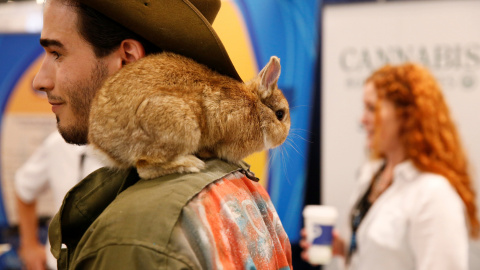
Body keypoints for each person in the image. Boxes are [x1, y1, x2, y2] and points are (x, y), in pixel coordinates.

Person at [33, 0, 292, 269]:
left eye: (57, 53)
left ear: (128, 60)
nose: (39, 80)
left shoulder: (128, 237)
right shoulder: (240, 182)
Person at [300, 63, 479, 270]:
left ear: (406, 115)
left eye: (372, 108)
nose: (362, 119)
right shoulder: (373, 173)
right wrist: (344, 248)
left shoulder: (434, 194)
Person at [15, 131, 103, 270]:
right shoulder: (59, 142)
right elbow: (24, 187)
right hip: (58, 263)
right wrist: (29, 246)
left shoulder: (135, 145)